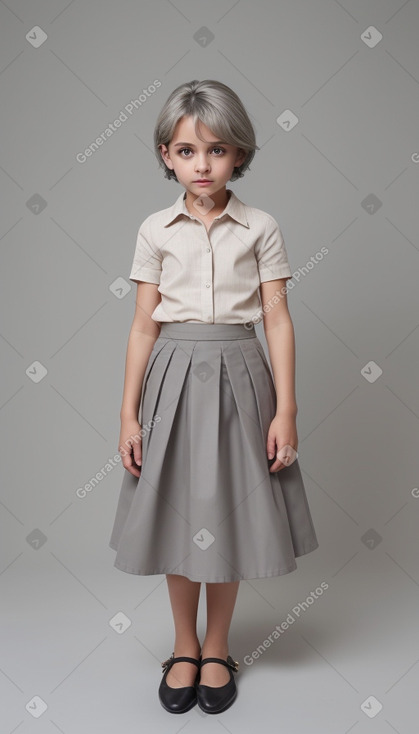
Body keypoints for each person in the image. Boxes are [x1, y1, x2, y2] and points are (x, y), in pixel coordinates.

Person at [108, 79, 319, 715]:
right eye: (186, 151)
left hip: (242, 372)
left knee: (227, 511)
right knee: (177, 514)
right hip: (171, 375)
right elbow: (144, 323)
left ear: (239, 155)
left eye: (218, 150)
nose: (202, 165)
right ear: (166, 156)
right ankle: (182, 645)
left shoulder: (261, 226)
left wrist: (286, 407)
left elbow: (277, 319)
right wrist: (128, 412)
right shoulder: (155, 228)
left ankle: (219, 646)